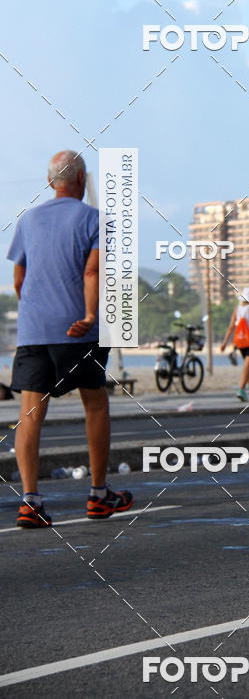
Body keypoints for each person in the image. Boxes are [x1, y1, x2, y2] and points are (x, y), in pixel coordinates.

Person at [7, 150, 133, 528]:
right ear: (81, 179)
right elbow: (93, 273)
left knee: (30, 414)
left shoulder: (28, 219)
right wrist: (91, 315)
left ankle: (30, 501)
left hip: (34, 331)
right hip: (80, 330)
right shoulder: (96, 219)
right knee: (94, 406)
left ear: (50, 182)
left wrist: (38, 313)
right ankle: (98, 495)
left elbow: (19, 279)